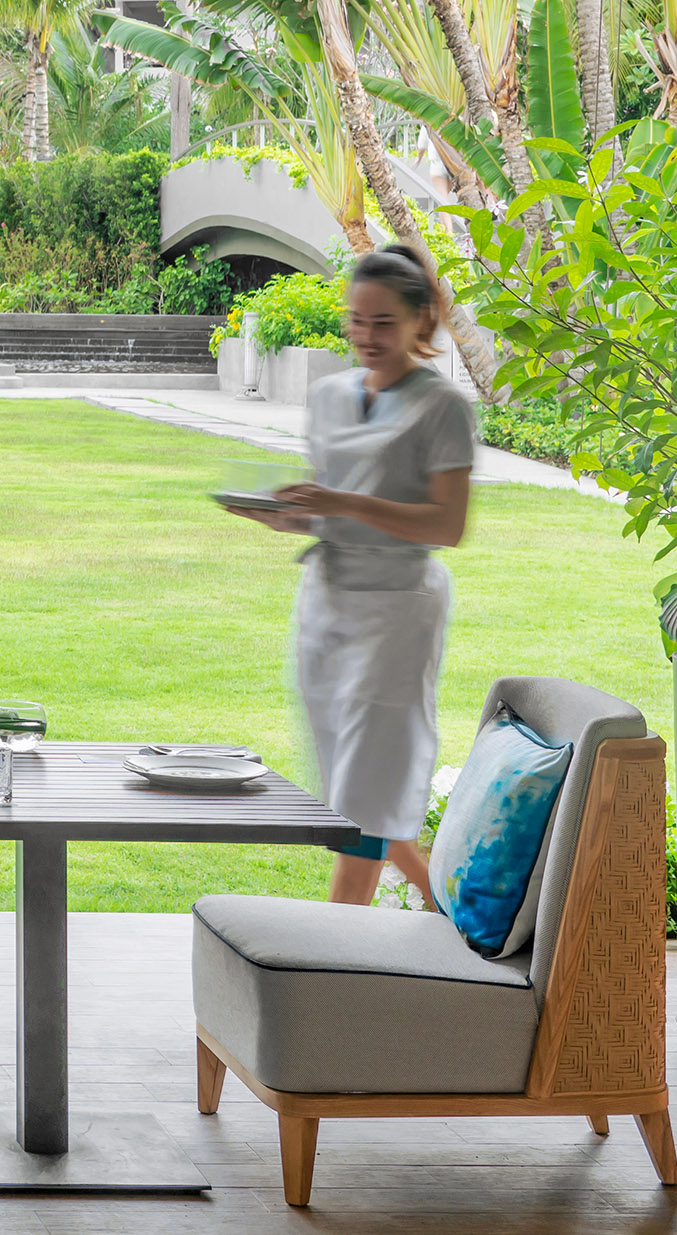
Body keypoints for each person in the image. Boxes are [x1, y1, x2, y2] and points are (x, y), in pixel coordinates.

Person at [225, 242, 475, 906]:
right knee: (351, 787)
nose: (365, 336)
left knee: (366, 791)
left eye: (383, 322)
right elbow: (338, 501)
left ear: (420, 320)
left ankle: (337, 951)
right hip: (325, 603)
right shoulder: (329, 394)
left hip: (396, 612)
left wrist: (338, 502)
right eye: (356, 320)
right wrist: (295, 515)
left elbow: (445, 525)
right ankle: (451, 914)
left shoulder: (442, 407)